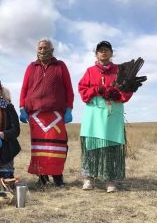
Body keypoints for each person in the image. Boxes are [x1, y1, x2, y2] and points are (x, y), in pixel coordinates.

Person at [78, 41, 133, 193]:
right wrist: (97, 89)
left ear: (111, 53)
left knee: (112, 146)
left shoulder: (120, 71)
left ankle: (111, 180)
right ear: (96, 54)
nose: (103, 52)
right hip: (94, 114)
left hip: (112, 114)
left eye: (106, 50)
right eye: (100, 50)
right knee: (91, 145)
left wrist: (118, 94)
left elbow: (127, 90)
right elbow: (82, 91)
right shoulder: (90, 71)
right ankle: (89, 177)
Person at [19, 38, 74, 187]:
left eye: (46, 48)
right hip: (36, 115)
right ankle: (42, 177)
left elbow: (68, 88)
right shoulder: (31, 67)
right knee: (39, 148)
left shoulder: (60, 66)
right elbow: (24, 88)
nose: (43, 50)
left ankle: (57, 177)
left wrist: (69, 108)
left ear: (52, 50)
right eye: (40, 48)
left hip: (56, 114)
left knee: (57, 146)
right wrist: (22, 108)